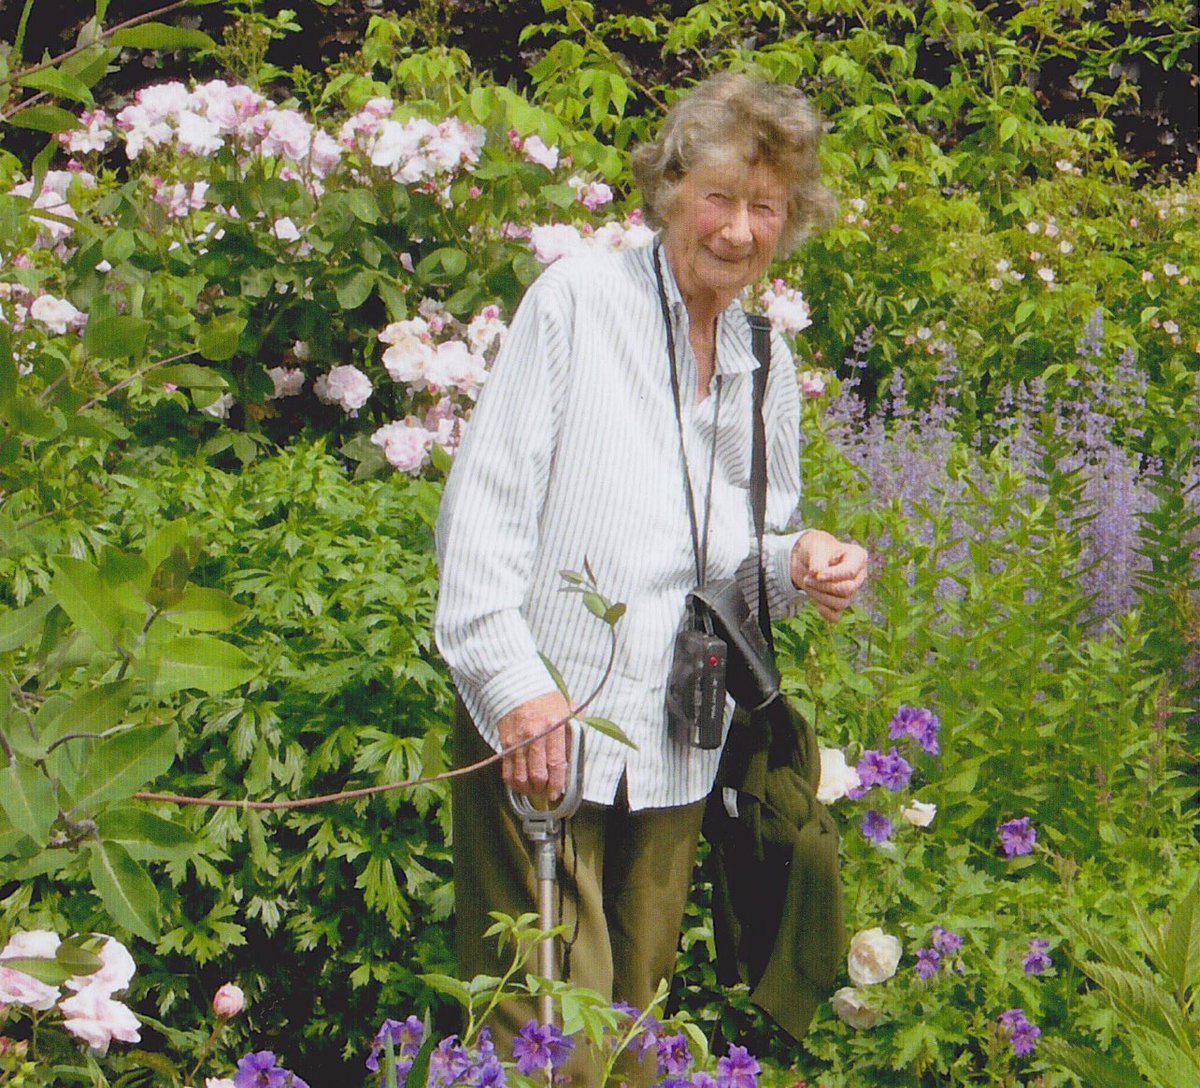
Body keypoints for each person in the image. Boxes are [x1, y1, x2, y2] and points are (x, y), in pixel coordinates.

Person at [435, 71, 868, 1084]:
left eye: (765, 207)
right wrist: (513, 687)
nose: (737, 229)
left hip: (677, 729)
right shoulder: (578, 303)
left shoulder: (763, 356)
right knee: (540, 1037)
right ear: (670, 191)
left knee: (633, 1033)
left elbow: (736, 557)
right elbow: (481, 512)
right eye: (718, 197)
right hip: (548, 717)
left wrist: (799, 561)